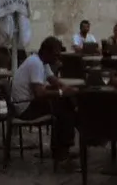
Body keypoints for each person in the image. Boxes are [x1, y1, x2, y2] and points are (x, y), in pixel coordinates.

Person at [11, 36, 75, 169]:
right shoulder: (35, 63)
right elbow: (39, 93)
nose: (57, 58)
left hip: (28, 103)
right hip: (24, 108)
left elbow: (53, 81)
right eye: (55, 55)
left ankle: (60, 149)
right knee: (64, 110)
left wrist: (67, 89)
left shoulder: (43, 62)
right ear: (46, 52)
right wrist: (62, 93)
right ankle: (62, 153)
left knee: (66, 103)